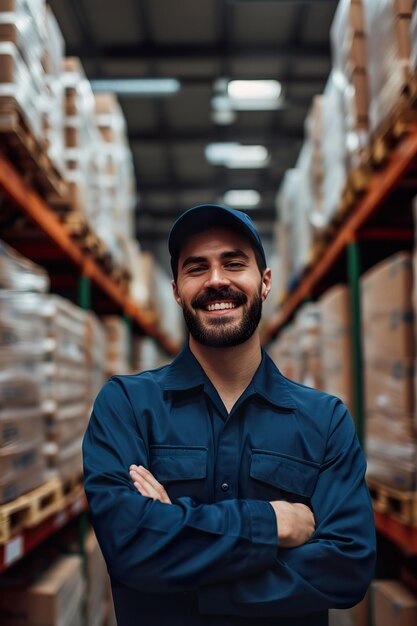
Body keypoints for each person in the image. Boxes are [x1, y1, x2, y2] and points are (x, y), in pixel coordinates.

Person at [83, 204, 376, 626]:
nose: (216, 280)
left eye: (234, 264)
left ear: (265, 282)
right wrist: (273, 523)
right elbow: (130, 544)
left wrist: (178, 554)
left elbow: (347, 568)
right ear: (177, 290)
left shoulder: (324, 419)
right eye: (196, 268)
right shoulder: (127, 405)